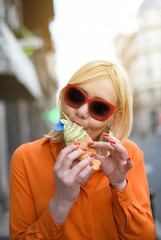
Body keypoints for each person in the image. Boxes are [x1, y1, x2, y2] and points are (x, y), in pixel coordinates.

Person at [9, 60, 157, 239]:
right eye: (76, 96)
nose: (81, 111)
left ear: (114, 118)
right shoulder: (26, 158)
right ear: (65, 95)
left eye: (99, 108)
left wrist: (119, 186)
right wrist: (60, 204)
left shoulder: (128, 156)